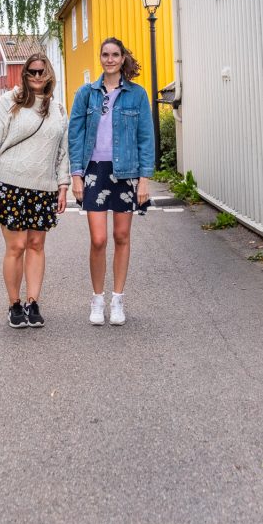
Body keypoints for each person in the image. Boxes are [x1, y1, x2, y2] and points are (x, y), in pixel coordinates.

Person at [0, 54, 69, 329]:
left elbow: (63, 152)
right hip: (11, 185)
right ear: (24, 74)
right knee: (16, 246)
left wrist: (62, 186)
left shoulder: (58, 109)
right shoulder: (9, 103)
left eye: (42, 72)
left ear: (49, 74)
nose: (37, 77)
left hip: (44, 188)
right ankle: (14, 304)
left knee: (37, 245)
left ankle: (33, 301)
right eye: (32, 72)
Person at [68, 37, 153, 326]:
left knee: (121, 237)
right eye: (105, 54)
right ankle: (97, 299)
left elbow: (145, 138)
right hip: (94, 171)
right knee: (98, 239)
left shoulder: (137, 95)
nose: (110, 59)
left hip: (127, 171)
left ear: (122, 58)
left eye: (115, 54)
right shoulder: (86, 94)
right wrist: (76, 175)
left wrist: (144, 180)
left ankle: (117, 300)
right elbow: (75, 135)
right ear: (100, 58)